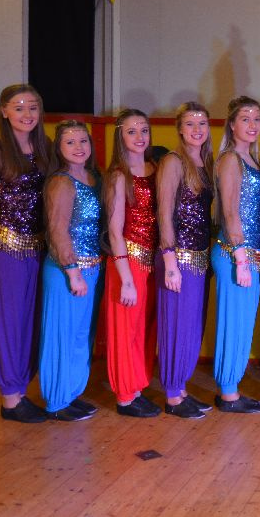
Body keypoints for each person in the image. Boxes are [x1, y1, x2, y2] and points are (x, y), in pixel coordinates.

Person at [0, 84, 52, 423]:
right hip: (7, 252)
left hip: (40, 249)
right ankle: (11, 400)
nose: (27, 114)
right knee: (8, 322)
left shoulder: (45, 149)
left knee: (32, 322)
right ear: (3, 112)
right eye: (18, 107)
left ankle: (22, 391)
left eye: (32, 107)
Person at [38, 120, 103, 421]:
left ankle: (71, 393)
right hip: (67, 271)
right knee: (61, 335)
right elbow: (58, 230)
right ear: (59, 148)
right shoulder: (61, 182)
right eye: (70, 142)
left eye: (83, 141)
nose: (79, 147)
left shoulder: (92, 177)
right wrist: (72, 271)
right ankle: (56, 401)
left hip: (91, 268)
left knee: (80, 336)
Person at [156, 102, 215, 419]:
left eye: (202, 123)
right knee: (176, 327)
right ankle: (172, 394)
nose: (197, 130)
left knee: (191, 327)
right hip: (178, 258)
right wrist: (169, 261)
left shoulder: (206, 163)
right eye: (190, 124)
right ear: (179, 128)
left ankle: (181, 389)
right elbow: (164, 213)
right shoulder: (173, 161)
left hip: (200, 258)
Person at [102, 109, 160, 418]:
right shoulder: (118, 175)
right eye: (132, 131)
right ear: (120, 137)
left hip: (151, 262)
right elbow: (114, 230)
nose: (140, 136)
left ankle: (137, 387)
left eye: (144, 130)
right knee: (126, 329)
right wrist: (125, 278)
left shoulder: (155, 168)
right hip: (129, 262)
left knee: (144, 328)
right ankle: (125, 395)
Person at [211, 96, 260, 413]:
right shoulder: (231, 159)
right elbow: (230, 212)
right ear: (232, 124)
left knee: (243, 324)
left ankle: (232, 387)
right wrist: (241, 258)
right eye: (245, 119)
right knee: (233, 324)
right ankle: (228, 392)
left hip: (249, 254)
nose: (252, 125)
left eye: (256, 119)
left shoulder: (252, 159)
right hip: (235, 254)